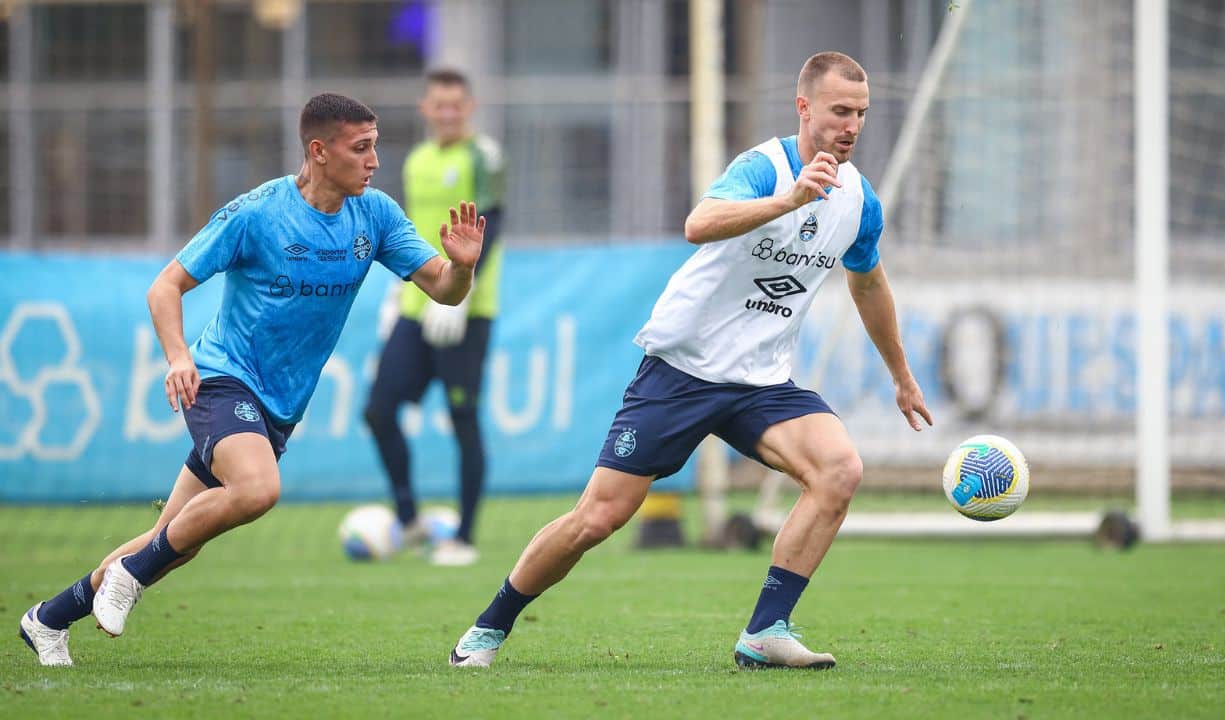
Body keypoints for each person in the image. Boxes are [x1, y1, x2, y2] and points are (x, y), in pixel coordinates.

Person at [449, 51, 932, 670]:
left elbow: (868, 284)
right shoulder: (764, 167)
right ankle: (488, 628)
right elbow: (698, 223)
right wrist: (786, 201)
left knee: (839, 470)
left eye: (861, 113)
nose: (852, 124)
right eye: (840, 110)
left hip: (761, 382)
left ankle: (765, 632)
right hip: (683, 370)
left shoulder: (859, 200)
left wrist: (901, 374)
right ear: (804, 107)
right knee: (599, 517)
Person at [18, 93, 485, 667]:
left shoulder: (377, 215)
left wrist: (461, 266)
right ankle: (130, 577)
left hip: (280, 406)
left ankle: (47, 619)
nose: (374, 161)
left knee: (174, 540)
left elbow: (443, 289)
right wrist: (177, 358)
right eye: (361, 148)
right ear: (319, 151)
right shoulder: (258, 213)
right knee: (257, 491)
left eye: (376, 147)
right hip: (221, 380)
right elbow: (164, 286)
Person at [363, 68, 505, 567]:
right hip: (417, 305)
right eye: (438, 104)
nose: (447, 112)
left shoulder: (482, 155)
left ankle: (463, 537)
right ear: (427, 108)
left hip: (469, 309)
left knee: (463, 416)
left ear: (469, 107)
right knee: (379, 409)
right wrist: (393, 297)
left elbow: (496, 221)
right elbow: (409, 234)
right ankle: (409, 519)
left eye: (456, 104)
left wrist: (464, 292)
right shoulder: (418, 160)